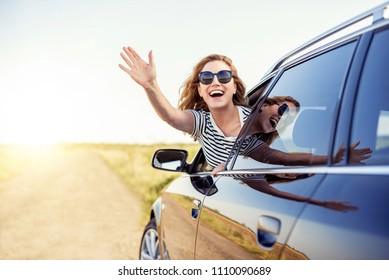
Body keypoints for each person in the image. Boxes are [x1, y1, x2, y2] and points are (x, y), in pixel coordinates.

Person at [119, 47, 248, 168]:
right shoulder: (202, 123)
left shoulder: (258, 117)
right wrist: (150, 85)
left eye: (224, 76)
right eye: (207, 78)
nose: (215, 82)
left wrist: (231, 167)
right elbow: (172, 117)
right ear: (200, 90)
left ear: (234, 86)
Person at [212, 95, 372, 174]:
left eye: (287, 121)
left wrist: (334, 159)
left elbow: (287, 159)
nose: (282, 119)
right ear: (264, 105)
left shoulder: (252, 146)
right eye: (284, 110)